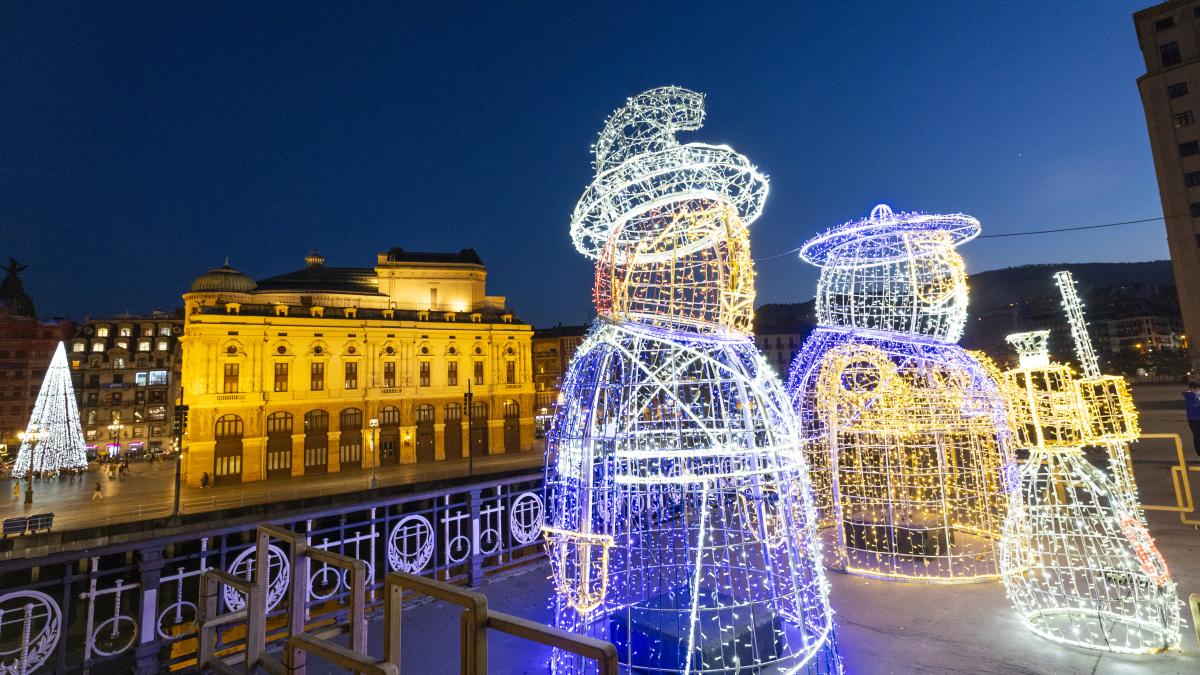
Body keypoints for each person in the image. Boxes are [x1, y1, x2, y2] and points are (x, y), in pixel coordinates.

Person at [1186, 382, 1200, 460]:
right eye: (1198, 389)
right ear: (1192, 389)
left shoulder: (1196, 396)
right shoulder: (1191, 397)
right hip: (1194, 420)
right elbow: (1195, 408)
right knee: (1198, 436)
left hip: (1196, 419)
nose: (1199, 390)